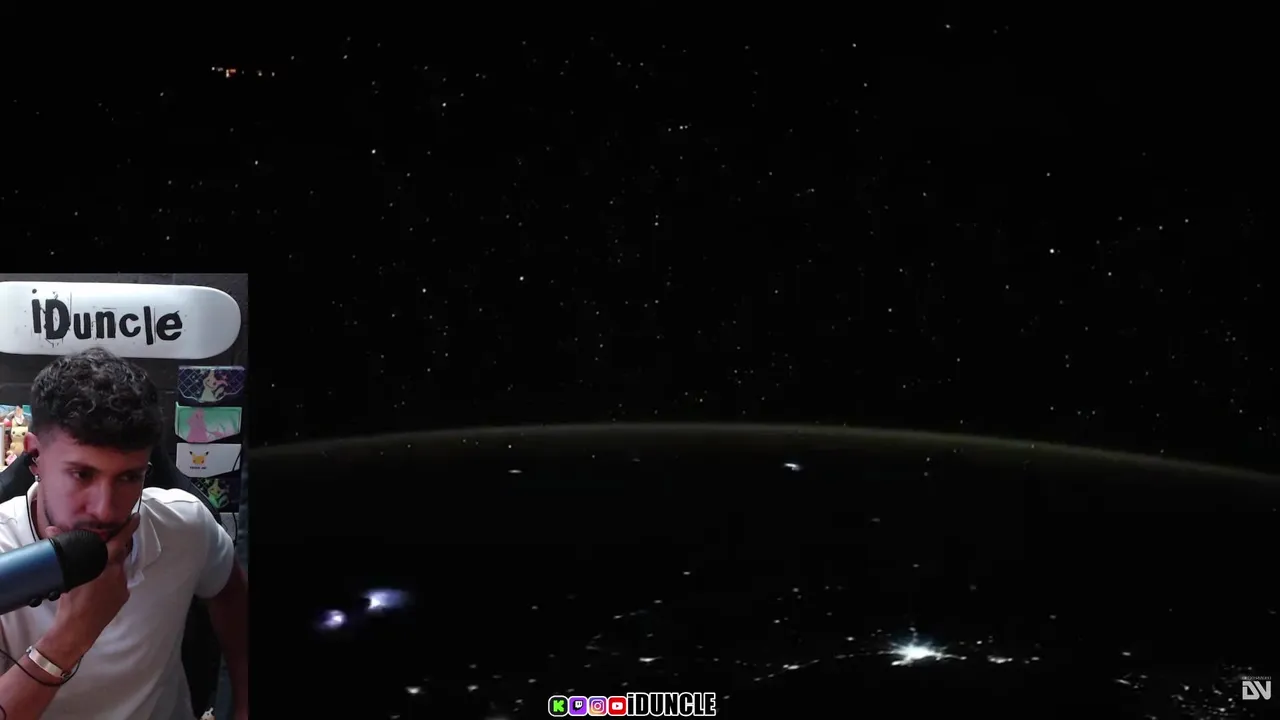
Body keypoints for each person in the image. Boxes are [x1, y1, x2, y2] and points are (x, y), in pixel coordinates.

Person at [0, 349, 249, 720]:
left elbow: (230, 593)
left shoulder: (185, 525)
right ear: (34, 455)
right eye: (82, 475)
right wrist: (70, 637)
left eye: (130, 477)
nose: (104, 509)